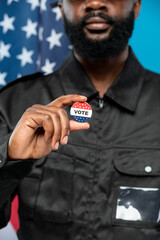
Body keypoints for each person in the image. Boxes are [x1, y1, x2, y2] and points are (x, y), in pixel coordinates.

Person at [0, 0, 160, 239]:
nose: (95, 2)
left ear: (136, 6)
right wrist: (11, 158)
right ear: (60, 8)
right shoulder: (14, 103)